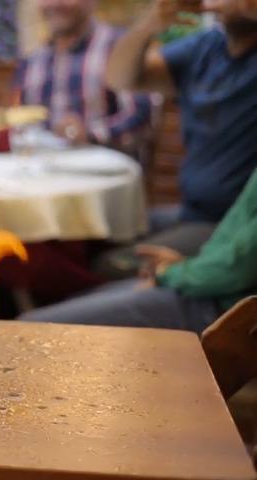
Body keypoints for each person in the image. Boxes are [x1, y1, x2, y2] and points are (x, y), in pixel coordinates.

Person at [95, 0, 257, 279]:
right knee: (90, 237)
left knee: (106, 264)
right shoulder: (207, 47)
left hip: (229, 226)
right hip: (189, 211)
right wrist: (150, 24)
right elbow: (118, 79)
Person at [20, 167, 257, 333]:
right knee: (59, 306)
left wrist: (172, 273)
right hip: (206, 287)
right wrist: (185, 266)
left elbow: (236, 269)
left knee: (28, 330)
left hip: (222, 310)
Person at [14, 0, 152, 153]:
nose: (55, 4)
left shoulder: (118, 46)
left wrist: (90, 134)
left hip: (104, 171)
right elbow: (22, 119)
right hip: (43, 169)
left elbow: (139, 115)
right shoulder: (35, 58)